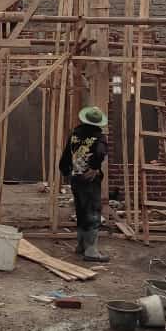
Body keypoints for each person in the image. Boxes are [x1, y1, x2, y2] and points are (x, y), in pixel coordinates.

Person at [58, 106, 110, 263]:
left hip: (76, 179)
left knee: (80, 210)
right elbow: (100, 153)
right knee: (92, 212)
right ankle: (91, 251)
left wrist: (66, 172)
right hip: (89, 180)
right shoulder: (99, 137)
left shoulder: (75, 134)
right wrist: (94, 167)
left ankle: (81, 245)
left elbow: (66, 156)